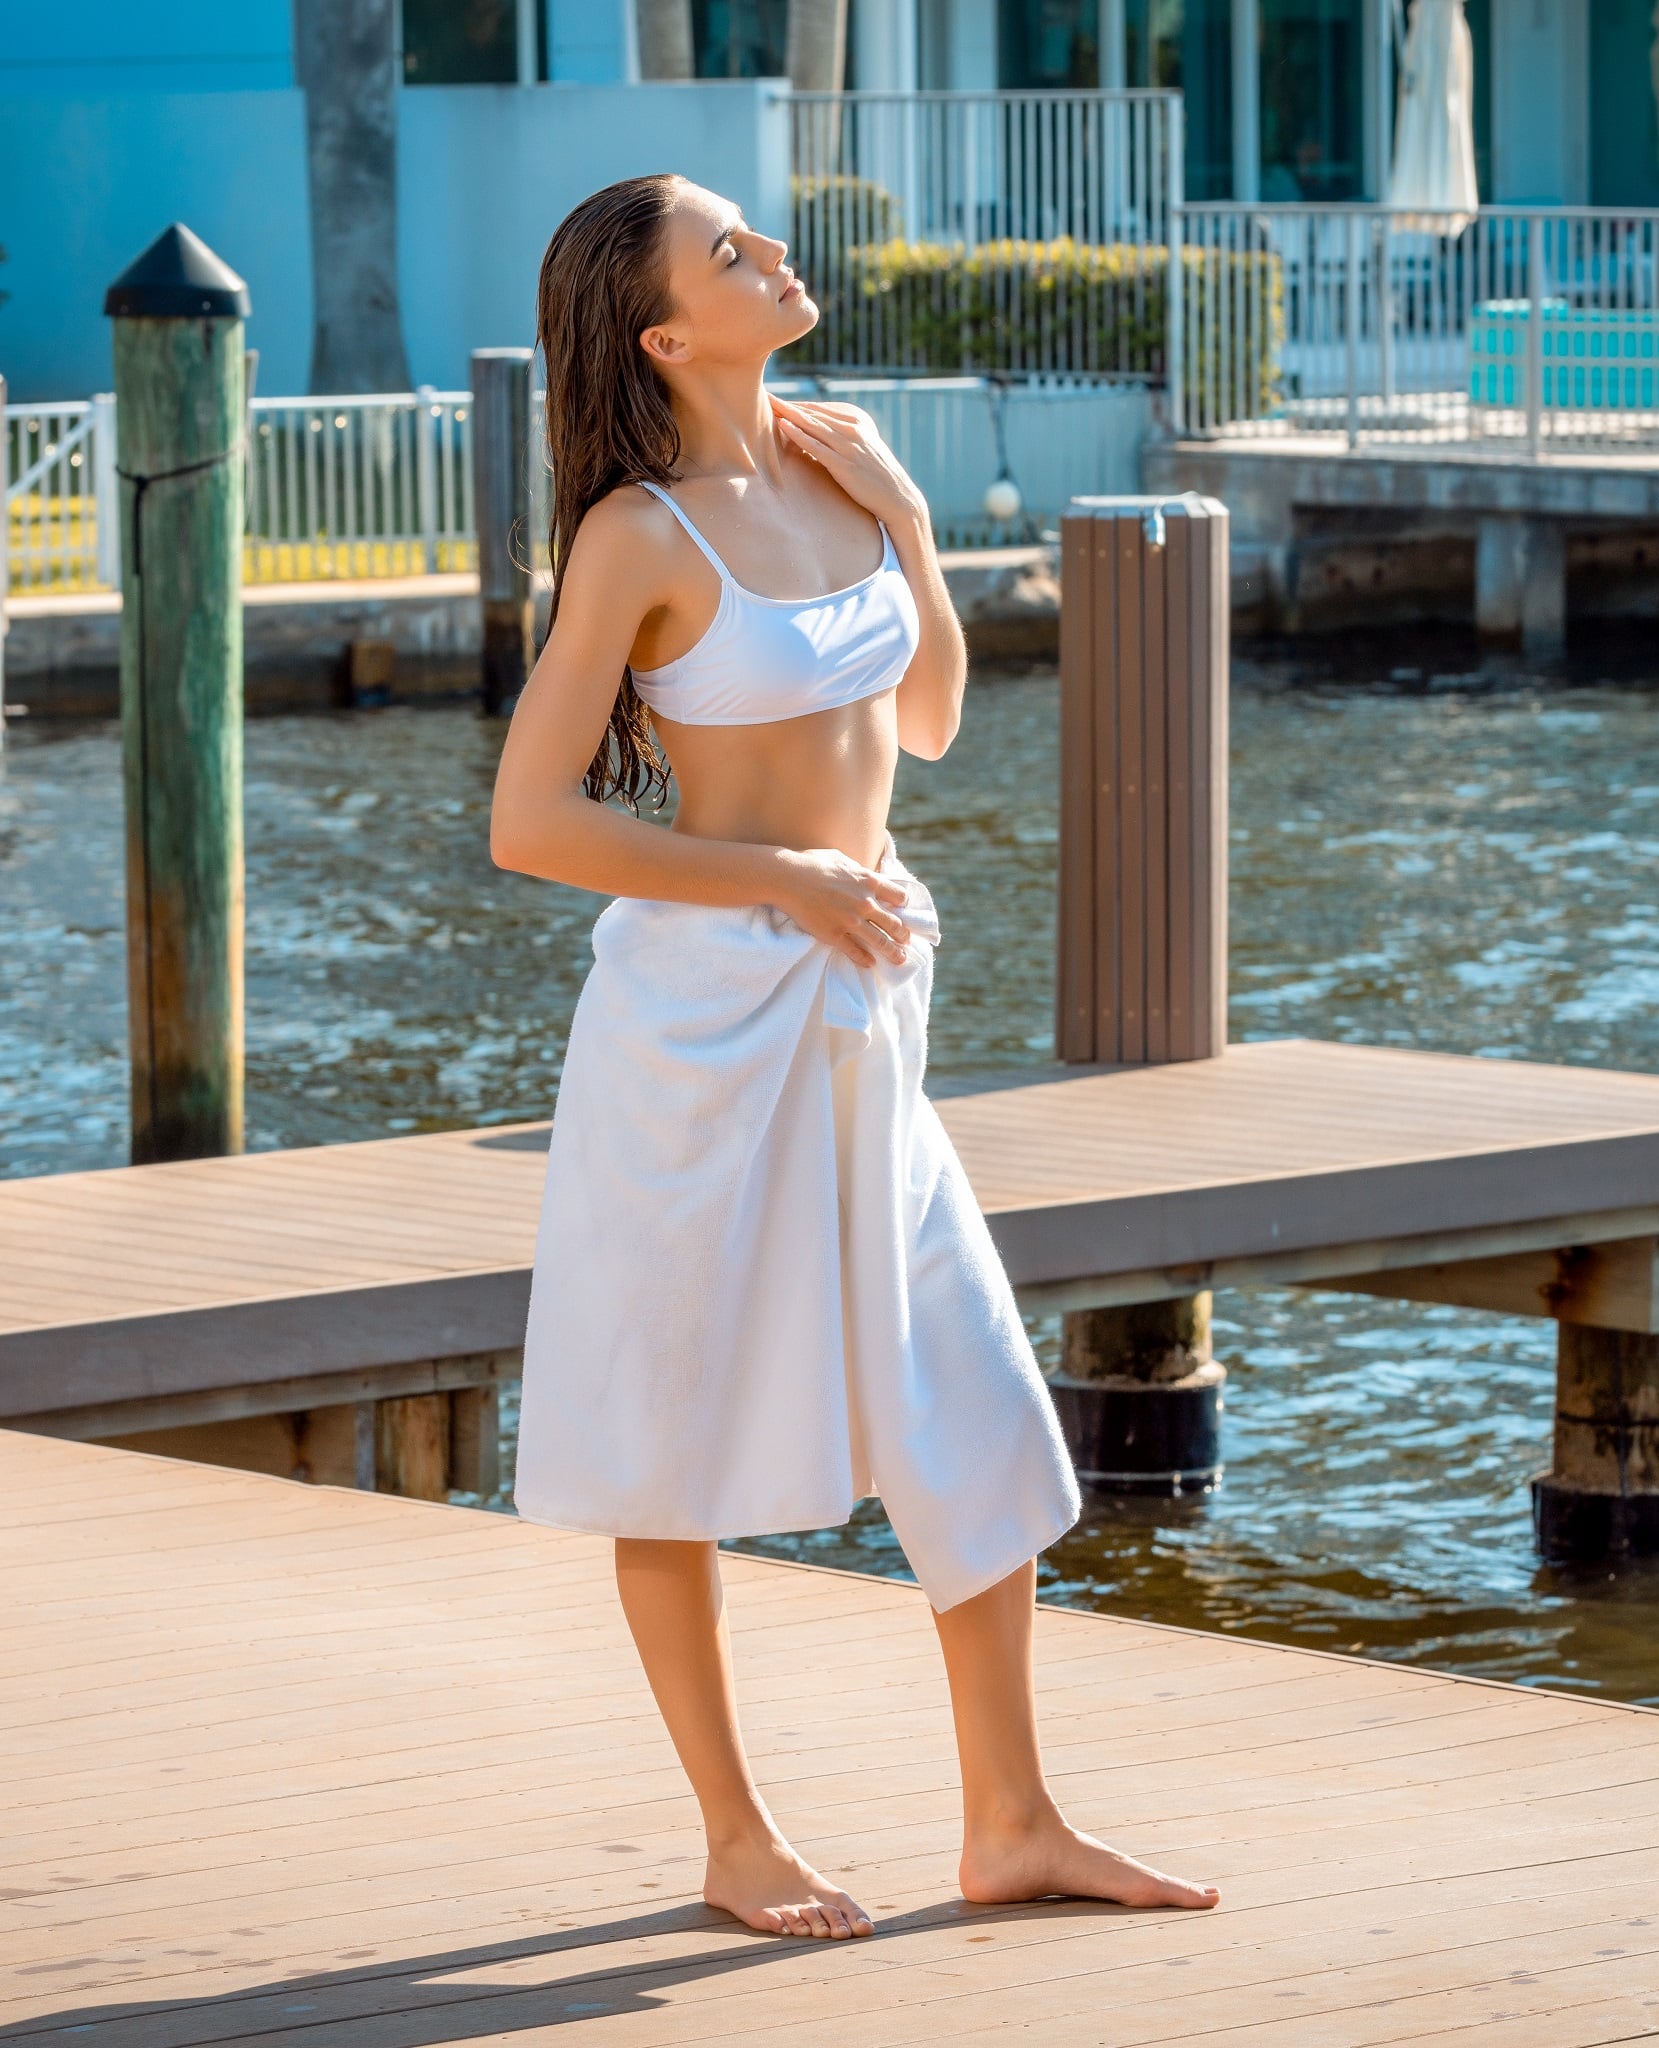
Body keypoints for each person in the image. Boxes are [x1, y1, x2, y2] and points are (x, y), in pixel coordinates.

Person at [489, 174, 1220, 1940]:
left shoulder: (839, 459)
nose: (771, 255)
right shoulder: (638, 539)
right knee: (657, 1427)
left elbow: (932, 717)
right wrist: (785, 880)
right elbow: (530, 821)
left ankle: (1013, 1821)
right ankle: (737, 1839)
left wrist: (909, 521)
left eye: (755, 232)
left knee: (965, 1392)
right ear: (666, 334)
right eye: (728, 252)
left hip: (861, 1016)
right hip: (700, 1024)